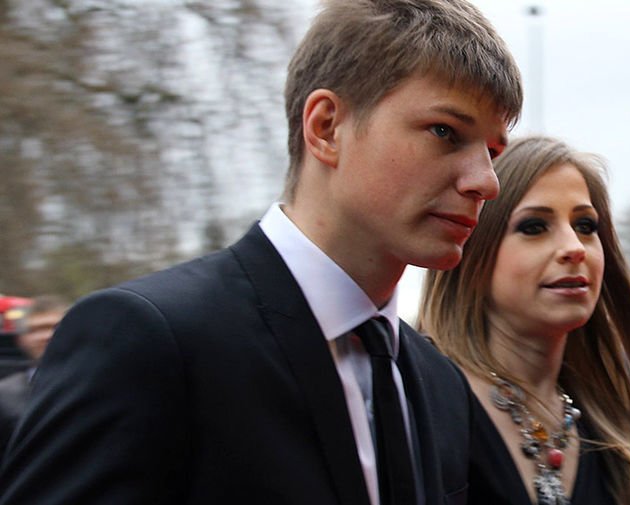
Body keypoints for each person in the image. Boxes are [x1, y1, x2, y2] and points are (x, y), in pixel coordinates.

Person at [0, 1, 523, 504]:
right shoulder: (148, 341)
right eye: (446, 132)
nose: (487, 182)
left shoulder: (439, 383)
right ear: (326, 127)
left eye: (493, 152)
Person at [419, 135, 630, 505]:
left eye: (585, 226)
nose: (574, 248)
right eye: (534, 227)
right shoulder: (418, 400)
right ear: (472, 251)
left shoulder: (616, 434)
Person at [0, 295, 68, 456]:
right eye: (35, 330)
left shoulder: (101, 384)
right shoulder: (4, 396)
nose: (46, 336)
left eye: (53, 327)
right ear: (21, 339)